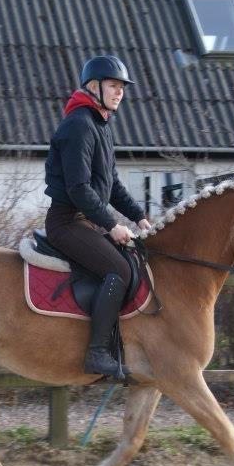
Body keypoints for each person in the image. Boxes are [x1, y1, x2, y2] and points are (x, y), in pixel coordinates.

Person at [43, 55, 151, 378]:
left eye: (122, 87)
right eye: (114, 86)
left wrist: (139, 216)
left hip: (86, 220)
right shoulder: (79, 125)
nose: (120, 92)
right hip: (67, 222)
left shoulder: (100, 125)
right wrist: (112, 225)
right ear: (94, 86)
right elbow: (79, 189)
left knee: (132, 262)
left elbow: (112, 185)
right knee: (118, 269)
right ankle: (97, 354)